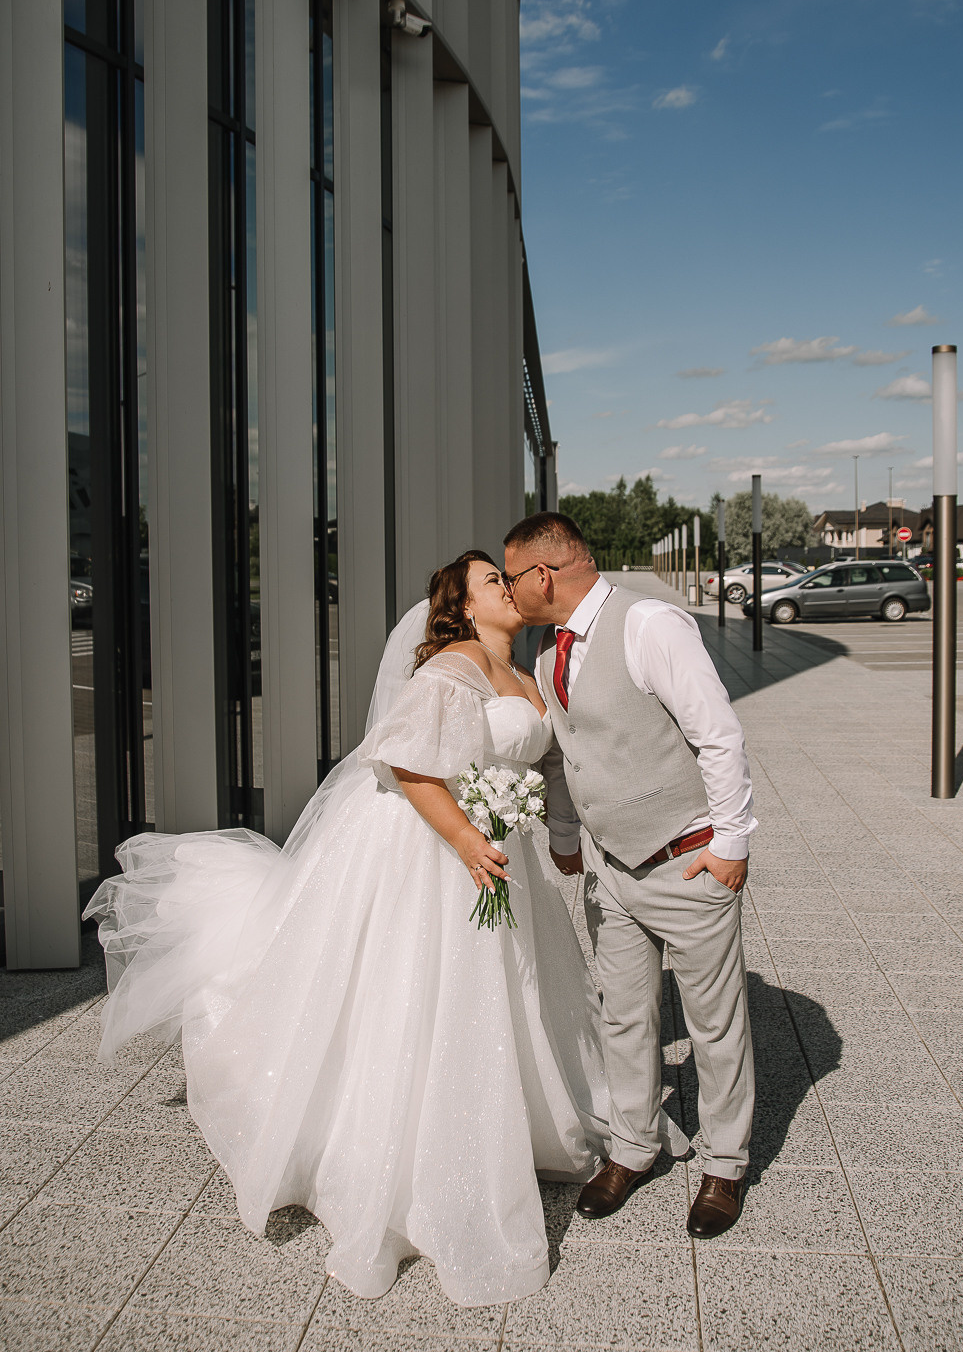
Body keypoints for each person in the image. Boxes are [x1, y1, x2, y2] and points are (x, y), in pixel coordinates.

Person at [84, 551, 630, 1306]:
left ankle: (523, 1120)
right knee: (423, 992)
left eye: (507, 579)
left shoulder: (528, 677)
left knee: (506, 993)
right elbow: (406, 766)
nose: (507, 588)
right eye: (491, 582)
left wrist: (553, 834)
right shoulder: (451, 669)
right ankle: (412, 1155)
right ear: (465, 608)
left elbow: (547, 763)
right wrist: (468, 840)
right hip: (436, 851)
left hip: (501, 854)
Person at [504, 512, 756, 1237]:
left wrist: (731, 844)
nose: (512, 589)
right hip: (610, 868)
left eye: (514, 575)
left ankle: (725, 1165)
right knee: (623, 1013)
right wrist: (563, 835)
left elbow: (718, 733)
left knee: (715, 1025)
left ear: (543, 575)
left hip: (685, 862)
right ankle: (633, 1147)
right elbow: (564, 752)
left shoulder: (649, 625)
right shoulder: (551, 649)